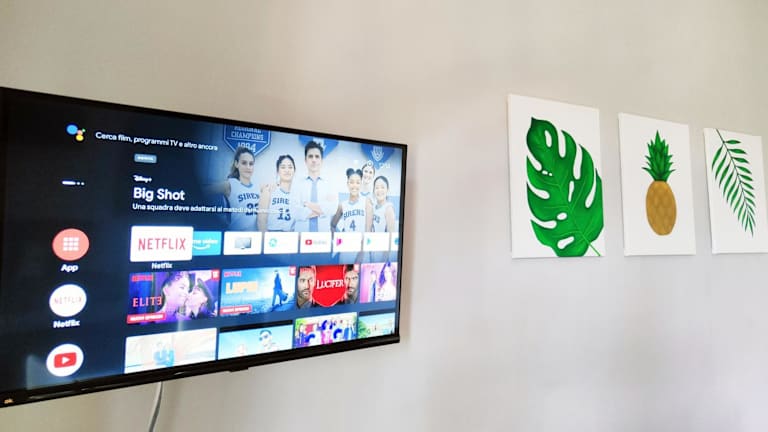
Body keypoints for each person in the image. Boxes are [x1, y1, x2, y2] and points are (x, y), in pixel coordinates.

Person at [209, 147, 260, 231]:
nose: (248, 167)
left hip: (255, 236)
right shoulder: (230, 184)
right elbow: (203, 191)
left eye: (251, 164)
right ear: (236, 164)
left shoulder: (257, 187)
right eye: (244, 163)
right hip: (235, 235)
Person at [295, 141, 338, 232]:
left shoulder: (330, 184)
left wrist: (307, 205)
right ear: (305, 160)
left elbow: (332, 209)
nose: (314, 160)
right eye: (310, 156)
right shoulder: (297, 184)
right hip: (302, 236)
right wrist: (322, 210)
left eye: (317, 156)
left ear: (322, 161)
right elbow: (295, 212)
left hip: (323, 237)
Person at [258, 154, 298, 232]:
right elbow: (261, 221)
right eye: (283, 167)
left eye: (290, 167)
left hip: (290, 236)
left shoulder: (297, 196)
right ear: (277, 171)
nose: (287, 170)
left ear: (294, 171)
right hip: (271, 235)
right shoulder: (269, 191)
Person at [331, 168, 373, 233]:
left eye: (358, 183)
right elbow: (333, 225)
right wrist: (339, 236)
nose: (354, 185)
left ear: (361, 184)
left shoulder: (366, 202)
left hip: (362, 239)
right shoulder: (342, 205)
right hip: (347, 239)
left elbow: (368, 231)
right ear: (347, 184)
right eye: (352, 182)